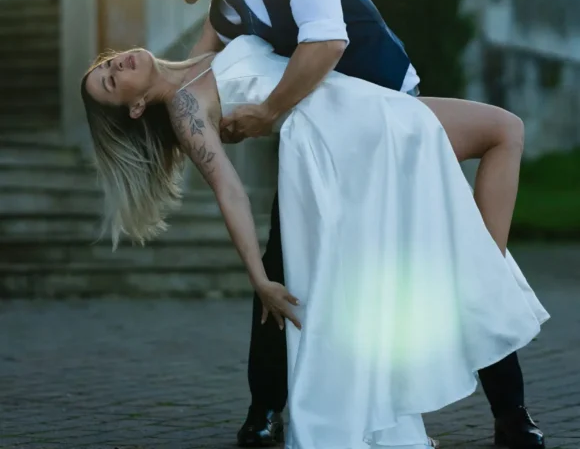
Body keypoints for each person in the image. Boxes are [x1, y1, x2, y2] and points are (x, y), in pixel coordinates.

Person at [125, 0, 546, 449]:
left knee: (455, 240)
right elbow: (195, 71)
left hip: (391, 122)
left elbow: (326, 42)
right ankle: (266, 410)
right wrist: (171, 113)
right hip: (324, 147)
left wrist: (265, 112)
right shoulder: (225, 10)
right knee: (282, 270)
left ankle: (510, 412)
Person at [81, 34, 548, 449]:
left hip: (359, 102)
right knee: (504, 130)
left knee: (502, 134)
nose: (113, 66)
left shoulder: (203, 52)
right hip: (341, 135)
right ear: (136, 107)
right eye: (108, 81)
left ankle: (483, 281)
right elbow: (229, 190)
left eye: (105, 64)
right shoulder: (185, 108)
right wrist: (260, 278)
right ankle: (485, 284)